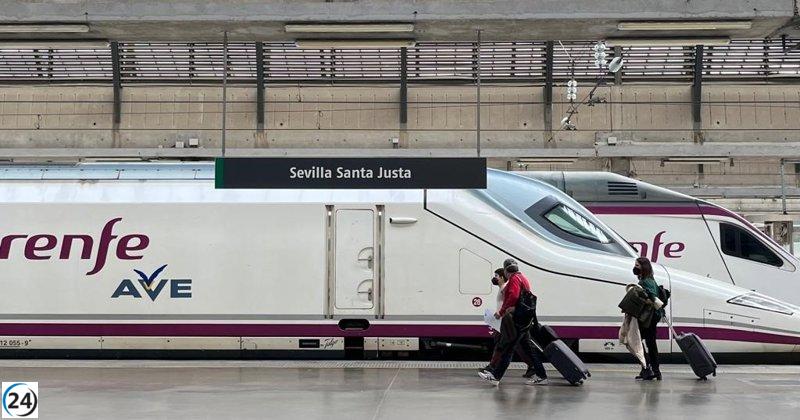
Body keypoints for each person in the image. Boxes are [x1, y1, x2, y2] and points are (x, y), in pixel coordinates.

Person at [479, 259, 548, 386]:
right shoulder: (523, 278)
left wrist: (501, 311)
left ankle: (495, 376)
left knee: (508, 348)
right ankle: (542, 375)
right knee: (528, 349)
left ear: (505, 270)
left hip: (519, 320)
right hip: (525, 320)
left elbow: (513, 297)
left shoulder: (514, 279)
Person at [633, 257, 664, 381]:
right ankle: (654, 371)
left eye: (637, 266)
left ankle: (647, 369)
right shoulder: (651, 280)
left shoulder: (645, 282)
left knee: (637, 342)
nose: (635, 268)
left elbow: (652, 299)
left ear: (643, 267)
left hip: (647, 318)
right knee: (650, 344)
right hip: (653, 317)